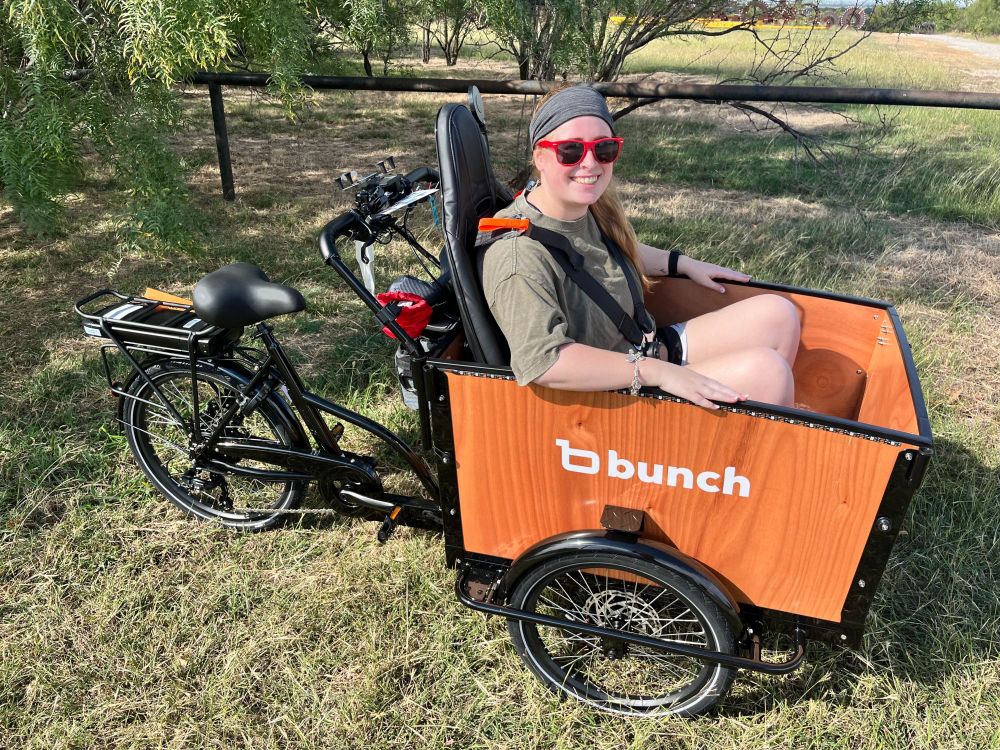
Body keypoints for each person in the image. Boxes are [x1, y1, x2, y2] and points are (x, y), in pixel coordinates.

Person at [481, 85, 800, 410]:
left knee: (779, 315)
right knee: (769, 372)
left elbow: (605, 254)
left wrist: (681, 264)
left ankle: (749, 434)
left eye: (603, 149)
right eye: (570, 151)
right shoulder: (517, 257)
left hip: (644, 350)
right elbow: (546, 362)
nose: (590, 163)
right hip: (609, 394)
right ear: (540, 157)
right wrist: (655, 372)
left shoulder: (578, 208)